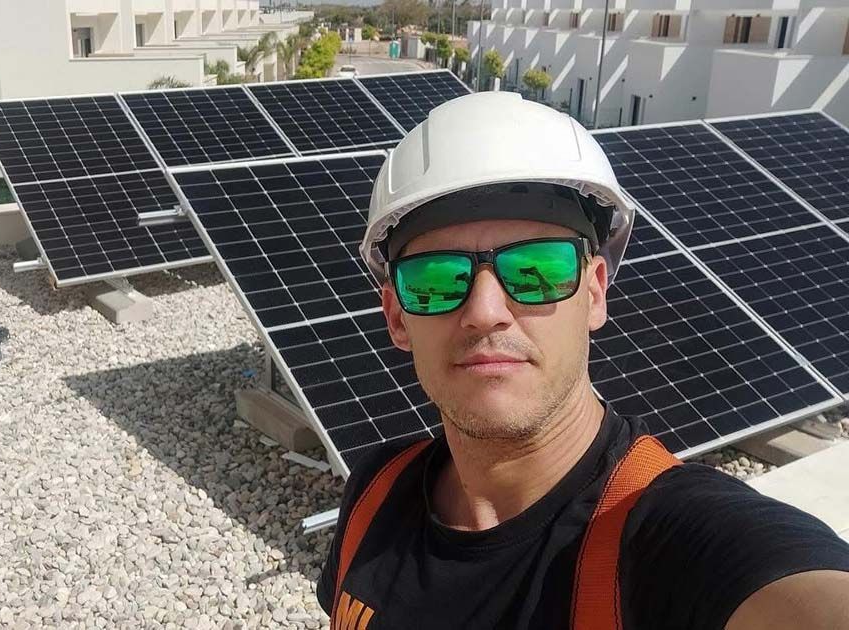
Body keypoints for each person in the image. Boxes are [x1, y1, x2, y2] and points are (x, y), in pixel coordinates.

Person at [316, 91, 849, 630]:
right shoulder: (375, 495)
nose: (484, 311)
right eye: (434, 279)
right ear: (396, 316)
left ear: (595, 293)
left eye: (537, 267)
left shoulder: (665, 539)